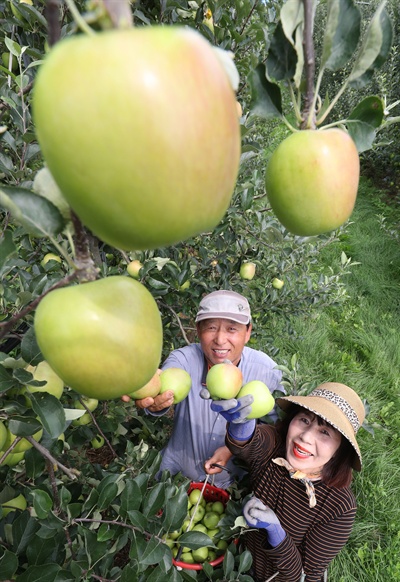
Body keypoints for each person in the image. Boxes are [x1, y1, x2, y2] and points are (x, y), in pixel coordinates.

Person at [212, 381, 365, 581]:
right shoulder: (275, 447)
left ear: (340, 450)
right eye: (304, 420)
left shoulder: (338, 506)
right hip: (238, 561)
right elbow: (250, 442)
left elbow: (302, 575)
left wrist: (275, 532)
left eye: (325, 432)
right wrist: (241, 425)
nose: (306, 437)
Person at [134, 289, 284, 489]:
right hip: (175, 474)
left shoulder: (267, 371)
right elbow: (165, 382)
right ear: (198, 330)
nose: (220, 340)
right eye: (211, 328)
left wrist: (235, 446)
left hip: (232, 481)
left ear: (248, 332)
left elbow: (280, 428)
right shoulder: (183, 359)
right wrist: (155, 398)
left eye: (232, 329)